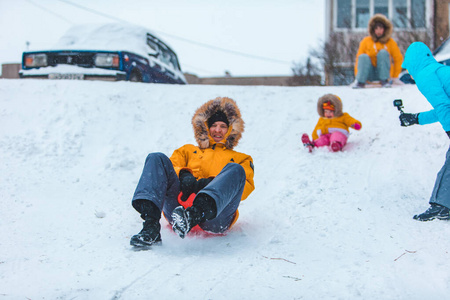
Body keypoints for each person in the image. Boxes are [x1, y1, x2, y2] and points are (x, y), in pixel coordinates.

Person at [129, 97, 255, 248]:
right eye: (213, 125)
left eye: (223, 126)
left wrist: (211, 183)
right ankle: (151, 227)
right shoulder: (187, 151)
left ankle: (193, 215)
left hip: (215, 218)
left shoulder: (242, 159)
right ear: (205, 127)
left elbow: (244, 188)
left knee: (236, 170)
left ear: (231, 130)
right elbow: (172, 166)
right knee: (156, 158)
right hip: (177, 210)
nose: (217, 130)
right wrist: (183, 174)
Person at [399, 41, 450, 222]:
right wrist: (416, 118)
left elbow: (443, 107)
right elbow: (444, 108)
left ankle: (442, 205)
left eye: (409, 67)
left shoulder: (425, 75)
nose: (410, 72)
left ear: (413, 62)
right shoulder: (438, 71)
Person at [353, 14, 403, 88]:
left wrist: (395, 76)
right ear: (373, 30)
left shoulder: (390, 42)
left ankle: (384, 81)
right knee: (363, 57)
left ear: (385, 29)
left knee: (383, 53)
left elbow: (398, 59)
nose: (378, 31)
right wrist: (357, 75)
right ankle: (360, 82)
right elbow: (358, 59)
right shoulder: (366, 41)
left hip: (385, 74)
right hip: (369, 74)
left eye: (381, 28)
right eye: (376, 28)